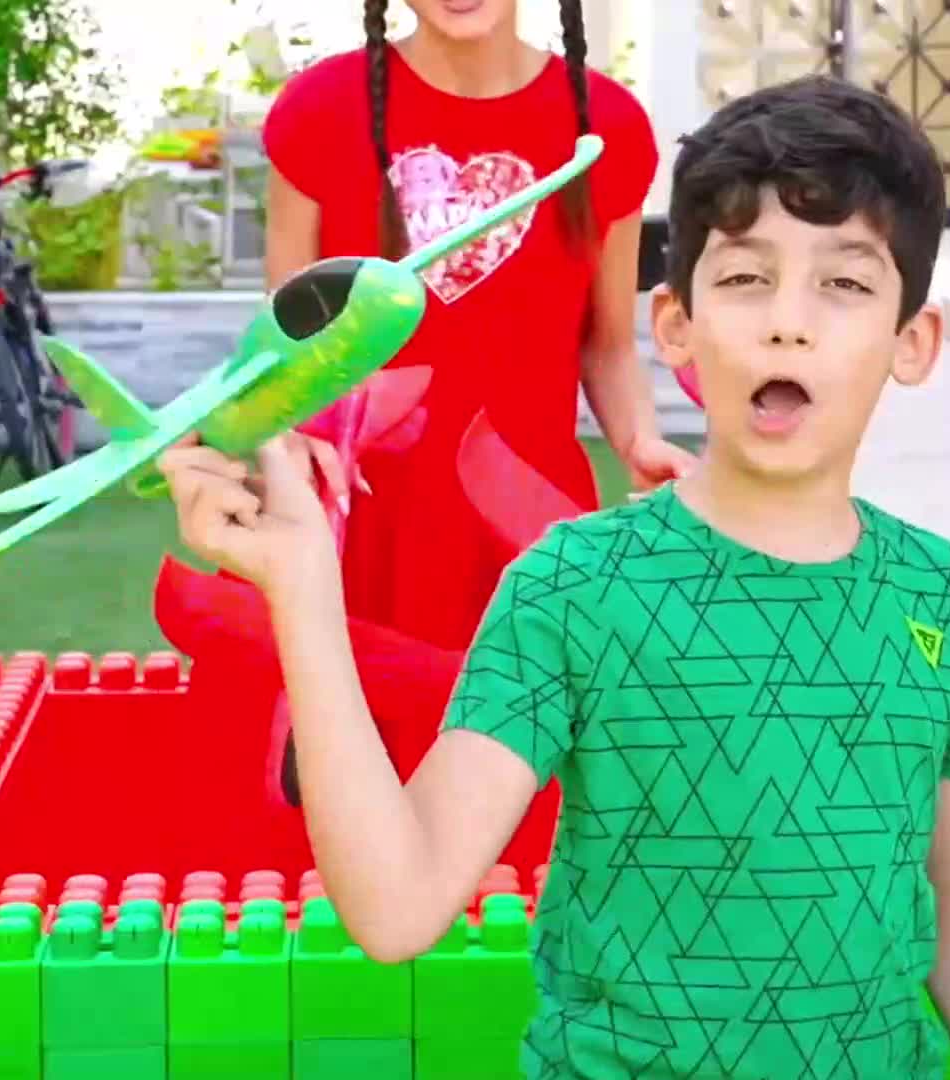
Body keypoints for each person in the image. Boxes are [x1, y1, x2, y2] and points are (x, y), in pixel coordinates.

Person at [158, 74, 950, 1078]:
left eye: (844, 283)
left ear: (912, 342)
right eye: (745, 278)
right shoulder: (574, 587)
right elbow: (396, 906)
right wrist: (303, 595)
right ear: (674, 325)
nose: (787, 323)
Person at [150, 0, 695, 879]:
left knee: (523, 850)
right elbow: (285, 347)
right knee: (338, 835)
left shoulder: (608, 128)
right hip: (359, 529)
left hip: (522, 532)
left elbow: (604, 343)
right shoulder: (318, 115)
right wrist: (285, 441)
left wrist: (641, 441)